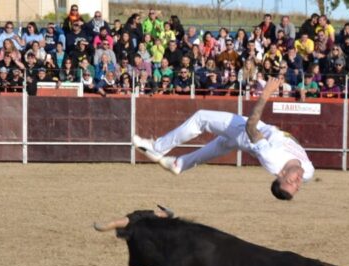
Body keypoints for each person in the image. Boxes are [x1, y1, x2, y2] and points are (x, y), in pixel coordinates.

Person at [133, 77, 314, 200]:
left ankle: (158, 147)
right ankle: (179, 164)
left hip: (247, 132)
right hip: (251, 141)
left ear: (280, 174)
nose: (298, 180)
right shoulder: (308, 172)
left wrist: (266, 92)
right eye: (297, 185)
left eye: (292, 181)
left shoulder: (273, 158)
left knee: (201, 118)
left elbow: (251, 126)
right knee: (220, 145)